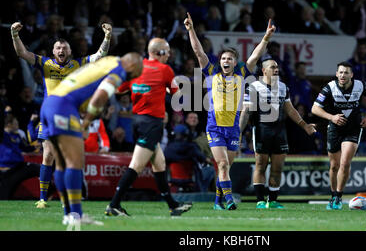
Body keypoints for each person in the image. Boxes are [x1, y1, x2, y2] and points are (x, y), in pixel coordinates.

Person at [10, 21, 113, 208]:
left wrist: (107, 37)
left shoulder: (78, 64)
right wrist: (15, 35)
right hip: (49, 116)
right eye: (58, 48)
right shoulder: (45, 63)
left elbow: (100, 56)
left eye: (64, 48)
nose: (61, 50)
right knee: (48, 155)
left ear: (70, 52)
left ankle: (70, 196)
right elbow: (22, 53)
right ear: (53, 51)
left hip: (69, 116)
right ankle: (42, 198)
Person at [184, 12, 276, 210]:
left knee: (226, 168)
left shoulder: (242, 72)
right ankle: (229, 200)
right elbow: (199, 52)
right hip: (215, 127)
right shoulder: (212, 72)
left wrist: (266, 38)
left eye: (230, 58)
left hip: (233, 128)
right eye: (224, 58)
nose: (226, 61)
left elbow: (255, 55)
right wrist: (191, 30)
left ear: (235, 62)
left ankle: (218, 202)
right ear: (221, 60)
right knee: (223, 165)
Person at [40, 52, 143, 225]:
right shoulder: (120, 69)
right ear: (133, 65)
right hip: (64, 107)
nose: (131, 78)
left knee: (61, 164)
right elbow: (100, 96)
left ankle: (69, 215)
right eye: (134, 75)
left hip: (50, 103)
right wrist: (86, 122)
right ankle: (76, 216)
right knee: (75, 162)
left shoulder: (110, 60)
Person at [105, 38, 192, 217]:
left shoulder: (136, 67)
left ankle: (173, 205)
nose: (169, 55)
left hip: (136, 121)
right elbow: (177, 96)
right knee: (136, 165)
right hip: (152, 124)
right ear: (158, 53)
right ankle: (114, 204)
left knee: (159, 163)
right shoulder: (165, 70)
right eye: (167, 52)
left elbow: (119, 90)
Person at [239, 57, 316, 209]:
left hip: (280, 131)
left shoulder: (282, 87)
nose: (276, 70)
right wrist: (238, 132)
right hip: (261, 129)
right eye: (273, 67)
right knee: (260, 165)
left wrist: (304, 125)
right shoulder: (253, 87)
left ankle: (272, 200)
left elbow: (290, 109)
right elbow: (246, 111)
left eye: (277, 67)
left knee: (277, 167)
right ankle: (260, 200)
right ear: (264, 70)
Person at [311, 61, 366, 210]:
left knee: (345, 162)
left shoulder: (360, 85)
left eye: (346, 72)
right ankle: (333, 194)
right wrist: (332, 117)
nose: (343, 75)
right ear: (337, 74)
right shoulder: (329, 87)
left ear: (351, 75)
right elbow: (315, 108)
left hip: (353, 128)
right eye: (340, 72)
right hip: (334, 128)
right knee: (334, 165)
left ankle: (338, 197)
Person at [0, 114, 39, 200]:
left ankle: (48, 191)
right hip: (6, 170)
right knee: (4, 197)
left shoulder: (17, 135)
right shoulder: (3, 136)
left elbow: (25, 148)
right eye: (15, 123)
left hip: (18, 167)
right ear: (9, 124)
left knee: (38, 168)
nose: (17, 124)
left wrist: (36, 147)